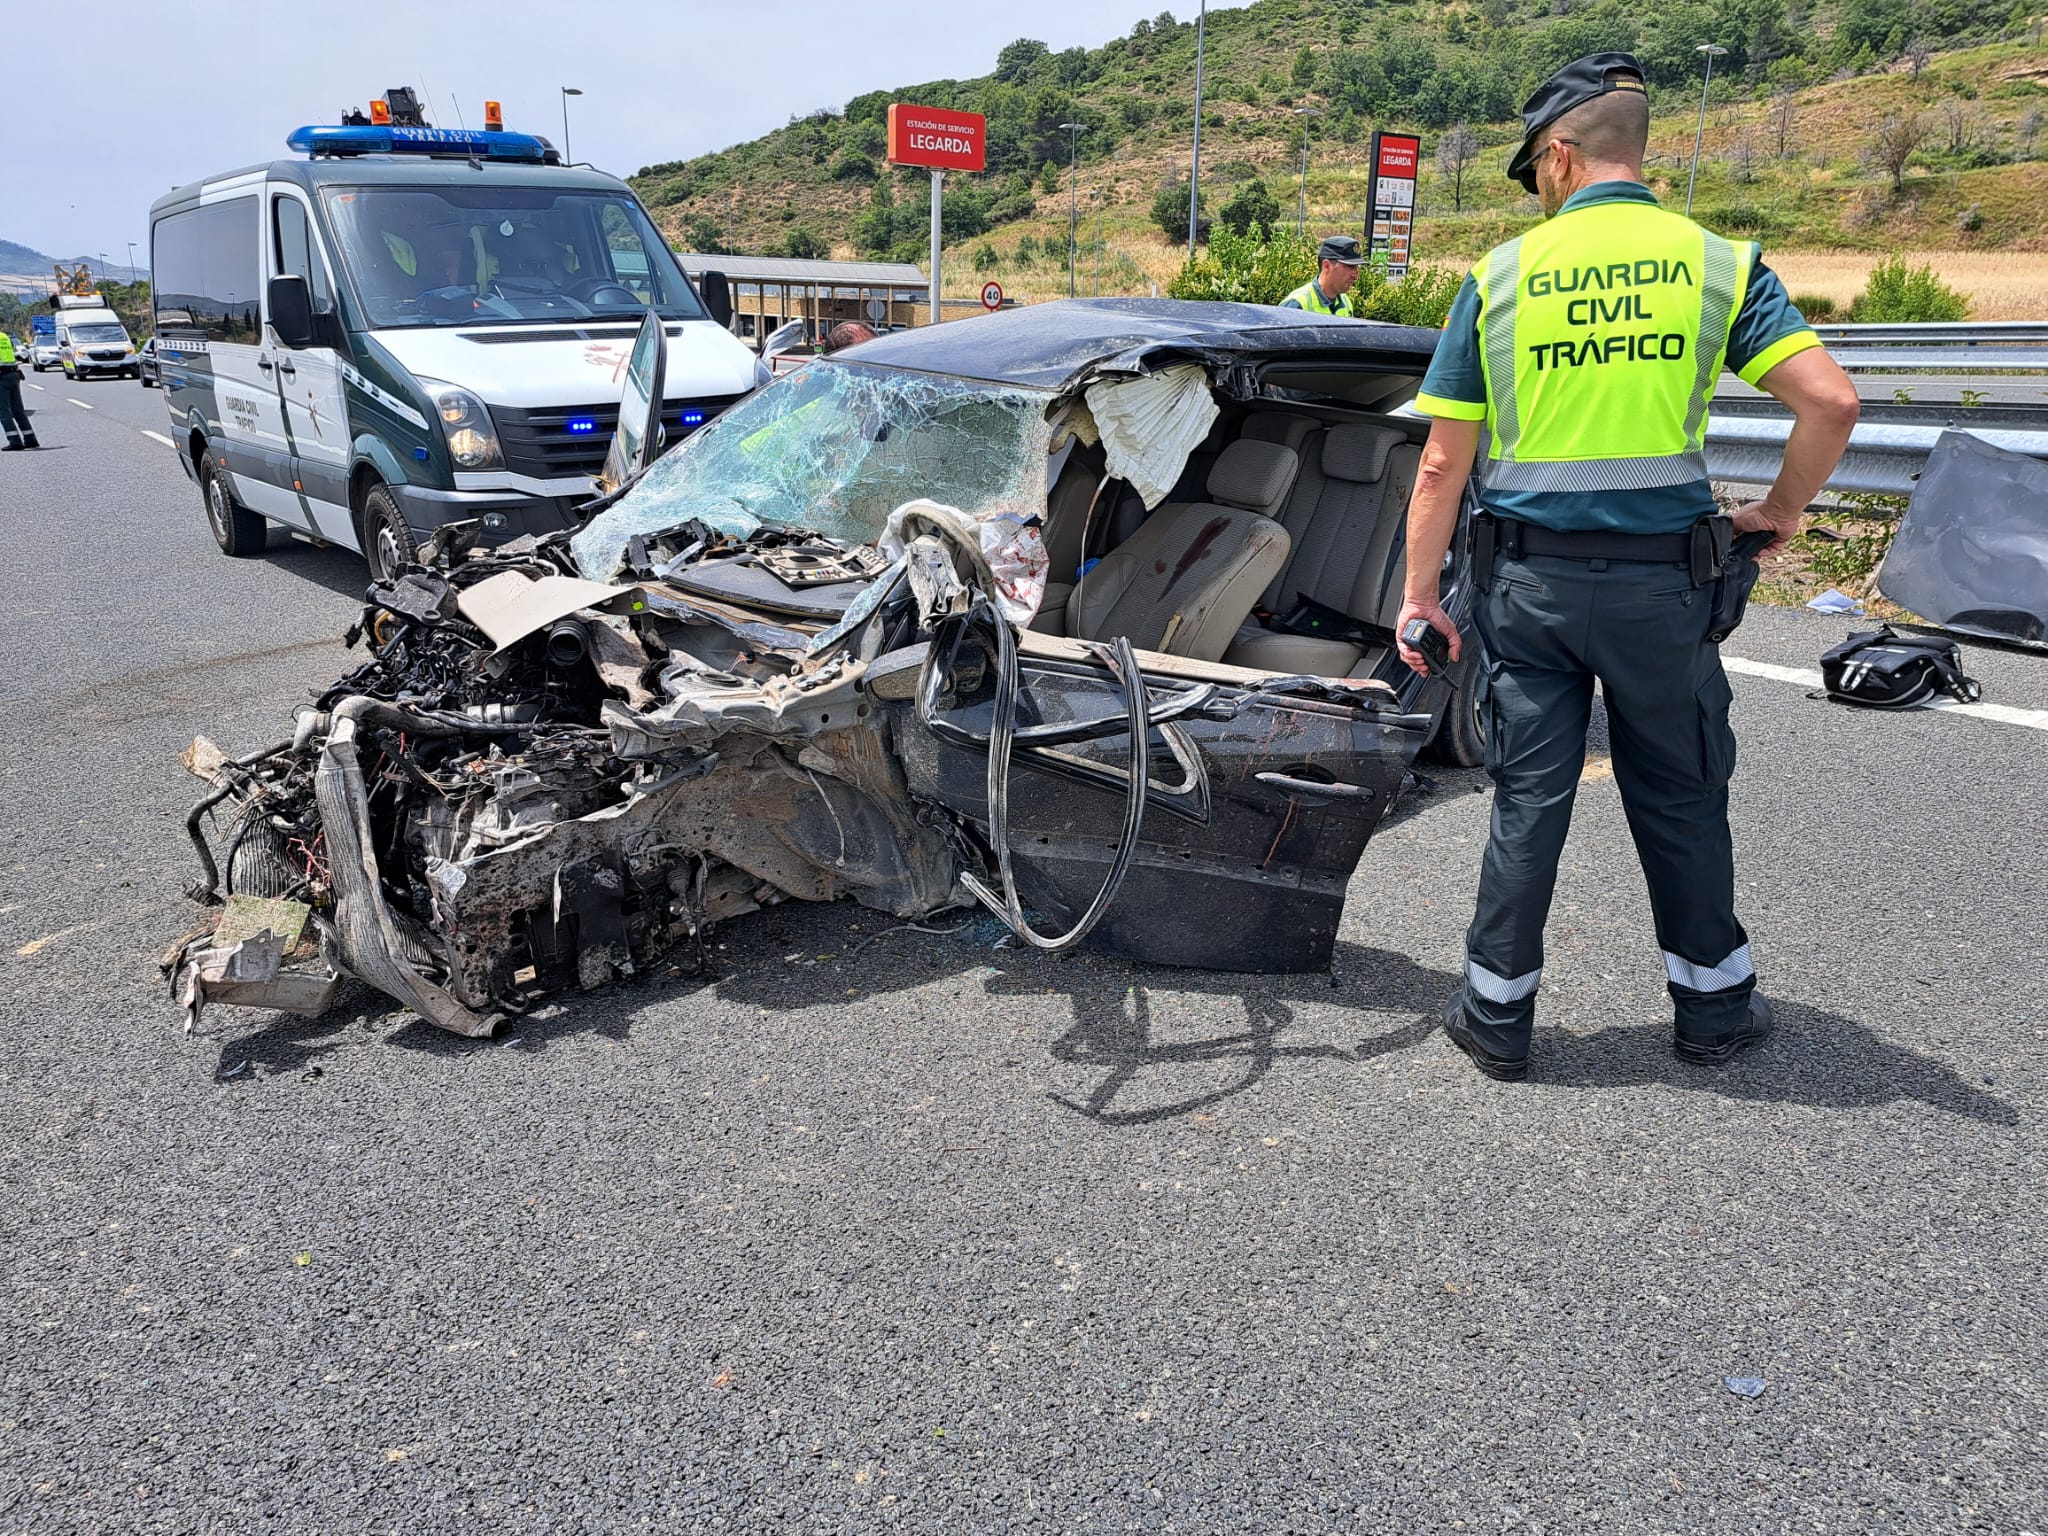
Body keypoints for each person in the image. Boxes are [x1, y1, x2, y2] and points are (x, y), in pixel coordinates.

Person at [1395, 52, 1860, 1081]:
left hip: (1530, 590)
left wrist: (1419, 596)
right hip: (1665, 591)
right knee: (1680, 794)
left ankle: (1495, 1018)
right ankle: (1710, 1013)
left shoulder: (1498, 279)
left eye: (1533, 170)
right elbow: (1829, 403)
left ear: (1559, 153)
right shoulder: (1716, 264)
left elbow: (1439, 462)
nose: (1537, 187)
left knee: (1527, 798)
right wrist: (1778, 512)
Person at [1280, 236, 1366, 316]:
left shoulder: (1346, 302)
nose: (1355, 276)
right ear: (1326, 266)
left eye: (1356, 267)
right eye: (1350, 266)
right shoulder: (1296, 304)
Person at [0, 330, 38, 450]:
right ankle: (30, 439)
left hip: (1, 376)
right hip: (13, 374)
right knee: (17, 410)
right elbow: (12, 349)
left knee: (3, 411)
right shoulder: (4, 336)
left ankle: (15, 441)